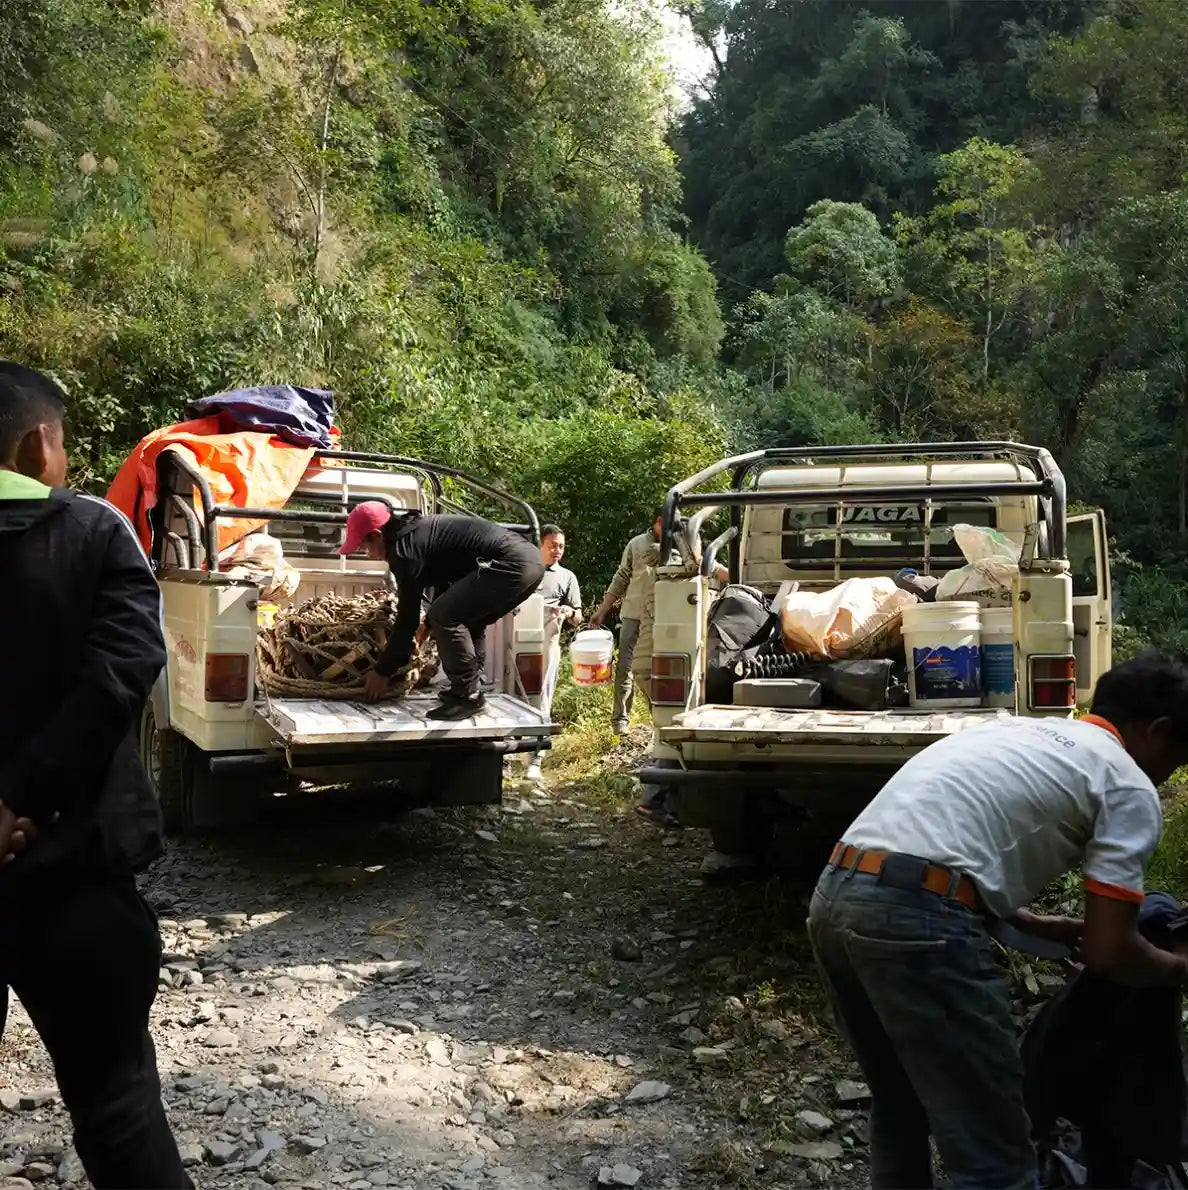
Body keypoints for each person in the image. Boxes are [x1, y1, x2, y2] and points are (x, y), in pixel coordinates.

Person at [807, 650, 1188, 1190]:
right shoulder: (1126, 782)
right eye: (1180, 758)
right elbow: (1109, 951)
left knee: (901, 1104)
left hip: (836, 893)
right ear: (1159, 730)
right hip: (915, 923)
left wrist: (1029, 921)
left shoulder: (1009, 733)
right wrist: (1177, 967)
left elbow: (937, 837)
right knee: (994, 1161)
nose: (1171, 775)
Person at [0, 361, 191, 1189]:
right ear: (39, 443)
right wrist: (20, 797)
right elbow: (121, 669)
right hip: (71, 876)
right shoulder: (89, 532)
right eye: (65, 443)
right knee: (118, 1114)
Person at [342, 502, 546, 720]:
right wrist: (427, 626)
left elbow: (407, 617)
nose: (368, 554)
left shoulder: (403, 550)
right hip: (531, 561)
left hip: (511, 562)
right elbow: (448, 586)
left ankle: (469, 695)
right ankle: (468, 689)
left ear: (377, 535)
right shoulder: (415, 533)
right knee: (468, 618)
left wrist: (383, 671)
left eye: (364, 547)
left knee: (443, 614)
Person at [590, 513, 663, 736]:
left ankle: (659, 719)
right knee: (626, 668)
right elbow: (621, 576)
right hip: (634, 613)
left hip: (664, 616)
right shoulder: (637, 543)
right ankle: (620, 721)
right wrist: (602, 611)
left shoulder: (681, 544)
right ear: (659, 520)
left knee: (660, 670)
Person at [526, 524, 581, 782]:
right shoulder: (526, 569)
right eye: (552, 545)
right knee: (511, 697)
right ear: (541, 545)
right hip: (518, 643)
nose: (557, 550)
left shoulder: (567, 577)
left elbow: (578, 617)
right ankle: (502, 758)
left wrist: (568, 612)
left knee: (543, 699)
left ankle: (534, 759)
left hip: (549, 643)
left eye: (561, 546)